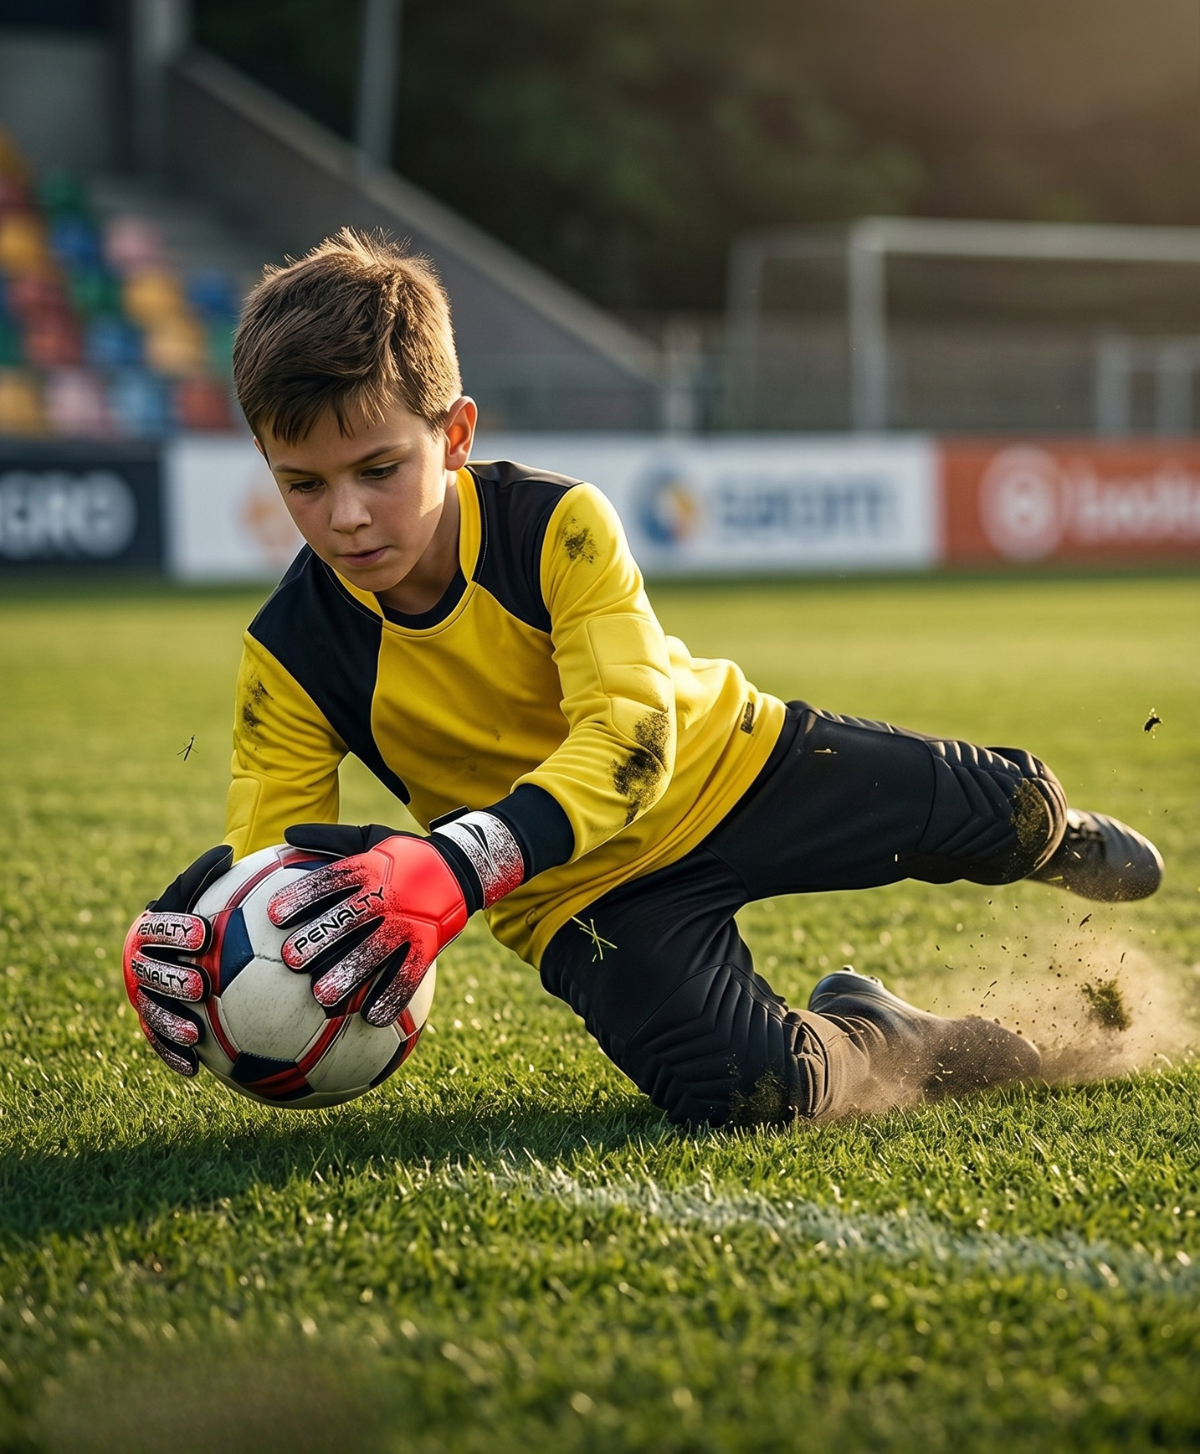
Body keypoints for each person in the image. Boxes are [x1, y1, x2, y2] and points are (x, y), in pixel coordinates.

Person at [122, 230, 1163, 1128]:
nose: (344, 516)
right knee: (744, 1093)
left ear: (456, 435)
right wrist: (207, 940)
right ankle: (889, 1031)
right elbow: (282, 860)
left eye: (379, 470)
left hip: (734, 764)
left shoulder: (556, 524)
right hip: (581, 898)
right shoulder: (289, 652)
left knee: (1012, 807)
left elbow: (634, 737)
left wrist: (455, 862)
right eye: (302, 485)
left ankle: (1054, 834)